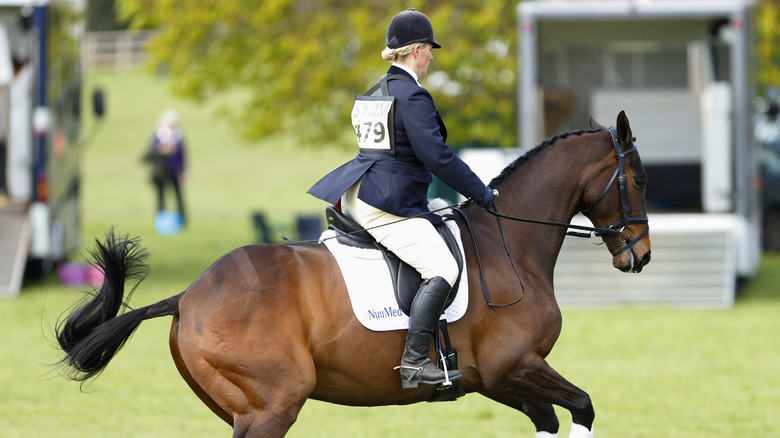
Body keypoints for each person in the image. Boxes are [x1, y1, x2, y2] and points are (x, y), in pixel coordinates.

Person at [308, 8, 497, 389]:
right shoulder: (412, 97)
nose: (431, 56)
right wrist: (483, 193)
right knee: (443, 267)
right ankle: (413, 362)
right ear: (415, 51)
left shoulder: (375, 93)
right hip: (386, 206)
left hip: (360, 195)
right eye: (429, 49)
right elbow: (438, 157)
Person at [144, 109, 187, 225]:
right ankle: (160, 220)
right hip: (160, 172)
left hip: (174, 171)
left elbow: (183, 156)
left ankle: (182, 220)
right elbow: (148, 154)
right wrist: (161, 150)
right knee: (160, 196)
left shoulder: (178, 136)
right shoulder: (158, 135)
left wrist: (184, 172)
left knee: (178, 196)